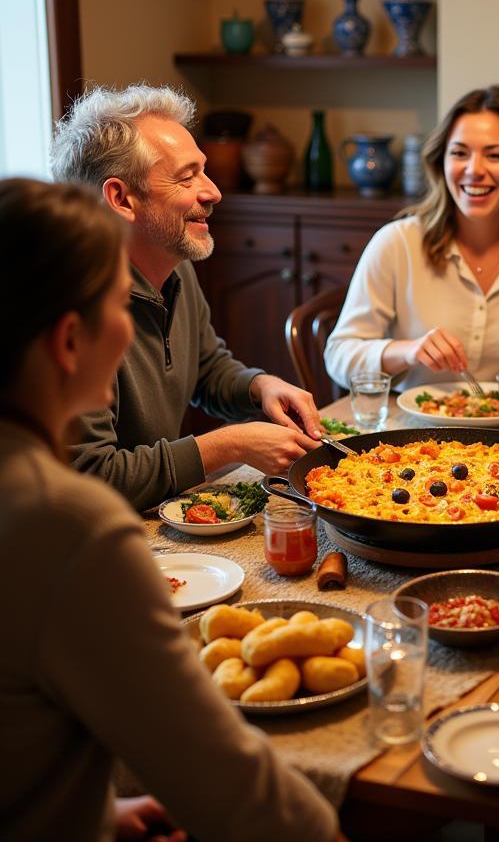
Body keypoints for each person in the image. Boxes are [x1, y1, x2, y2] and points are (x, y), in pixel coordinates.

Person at [0, 178, 340, 841]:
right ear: (70, 343)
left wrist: (92, 812)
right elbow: (231, 788)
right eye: (116, 305)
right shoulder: (76, 530)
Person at [50, 84, 323, 511]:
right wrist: (227, 445)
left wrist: (259, 386)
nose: (213, 192)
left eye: (204, 170)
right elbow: (90, 478)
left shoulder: (176, 268)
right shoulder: (68, 312)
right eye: (186, 176)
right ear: (121, 198)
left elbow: (205, 367)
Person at [324, 85, 499, 396]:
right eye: (459, 153)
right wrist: (407, 351)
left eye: (494, 155)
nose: (474, 170)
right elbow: (339, 356)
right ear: (442, 163)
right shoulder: (396, 243)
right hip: (414, 438)